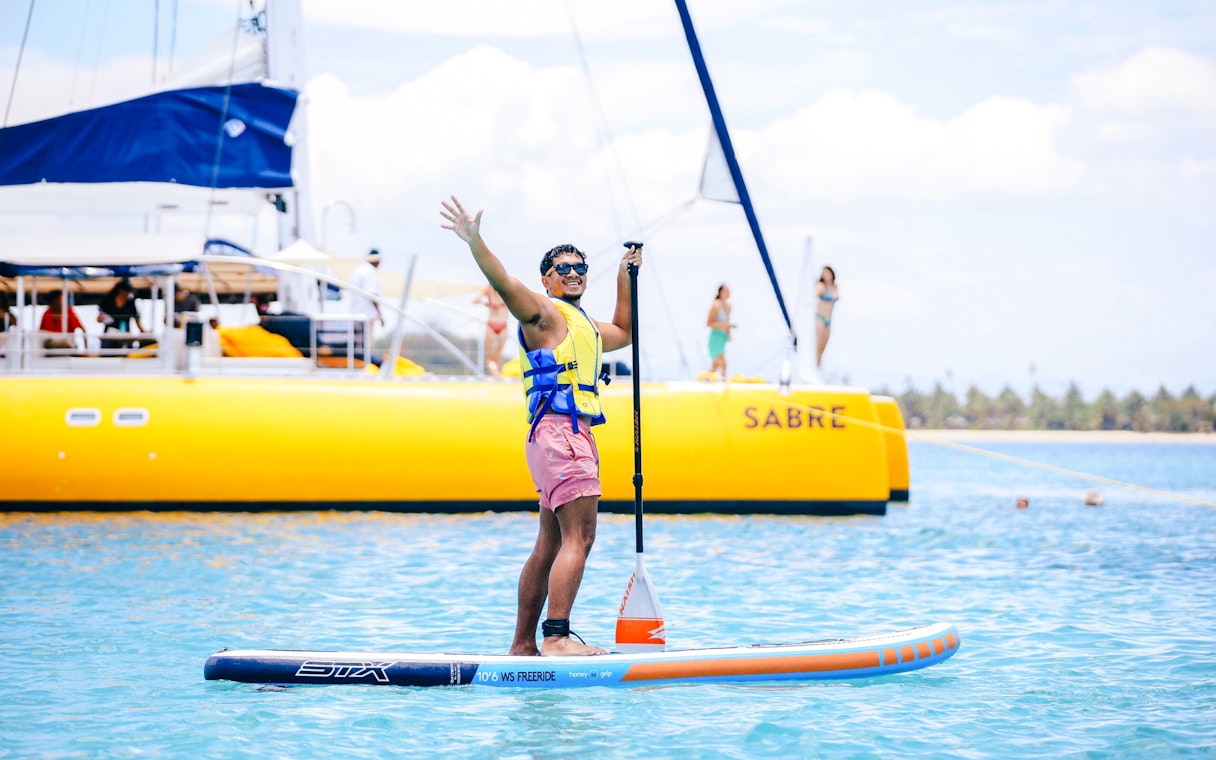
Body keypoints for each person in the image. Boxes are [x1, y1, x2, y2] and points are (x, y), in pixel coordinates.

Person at [440, 195, 640, 657]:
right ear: (547, 279)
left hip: (563, 435)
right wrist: (475, 242)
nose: (573, 273)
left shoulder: (585, 324)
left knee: (550, 540)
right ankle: (556, 637)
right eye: (563, 267)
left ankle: (522, 645)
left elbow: (626, 333)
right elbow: (502, 280)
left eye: (580, 267)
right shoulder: (544, 313)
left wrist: (624, 276)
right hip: (562, 435)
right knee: (580, 536)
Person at [97, 279, 146, 351]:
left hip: (125, 334)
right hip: (110, 335)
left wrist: (144, 333)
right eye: (126, 292)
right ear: (120, 291)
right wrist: (103, 318)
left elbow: (136, 319)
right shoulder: (108, 300)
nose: (127, 294)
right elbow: (99, 318)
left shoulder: (130, 303)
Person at [475, 285, 509, 375]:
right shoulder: (489, 291)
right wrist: (484, 301)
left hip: (502, 325)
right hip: (491, 325)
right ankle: (496, 373)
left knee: (498, 354)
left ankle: (496, 372)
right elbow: (475, 300)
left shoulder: (506, 291)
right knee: (490, 355)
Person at [350, 249, 384, 329]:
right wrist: (380, 315)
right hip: (366, 316)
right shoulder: (369, 271)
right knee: (368, 340)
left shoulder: (360, 270)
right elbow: (372, 294)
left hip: (357, 314)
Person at [814, 265, 839, 368]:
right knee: (817, 346)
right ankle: (814, 367)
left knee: (822, 348)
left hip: (828, 320)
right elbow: (812, 297)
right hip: (820, 317)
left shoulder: (834, 286)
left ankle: (818, 367)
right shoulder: (820, 286)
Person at [706, 284, 732, 380]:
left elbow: (727, 321)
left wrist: (729, 333)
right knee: (723, 365)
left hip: (723, 338)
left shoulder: (729, 306)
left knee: (715, 367)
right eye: (726, 290)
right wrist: (724, 325)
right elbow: (709, 323)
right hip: (716, 338)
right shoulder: (715, 305)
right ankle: (724, 383)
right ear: (720, 292)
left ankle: (706, 380)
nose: (728, 293)